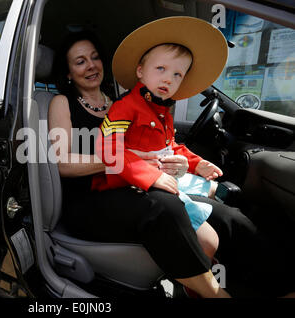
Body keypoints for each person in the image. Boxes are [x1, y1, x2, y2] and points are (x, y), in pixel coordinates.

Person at [48, 28, 230, 298]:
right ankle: (212, 293)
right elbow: (61, 162)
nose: (91, 66)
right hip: (88, 198)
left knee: (222, 213)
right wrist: (125, 161)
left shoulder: (125, 101)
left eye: (95, 57)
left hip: (130, 184)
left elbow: (158, 146)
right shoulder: (62, 103)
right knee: (164, 207)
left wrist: (183, 164)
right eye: (80, 61)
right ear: (67, 72)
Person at [92, 17, 228, 263]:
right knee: (209, 241)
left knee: (221, 193)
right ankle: (195, 278)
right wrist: (150, 176)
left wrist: (198, 164)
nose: (168, 79)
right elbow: (107, 148)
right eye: (161, 69)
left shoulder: (161, 111)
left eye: (177, 74)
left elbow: (170, 147)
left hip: (160, 174)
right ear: (140, 71)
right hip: (125, 184)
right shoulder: (126, 106)